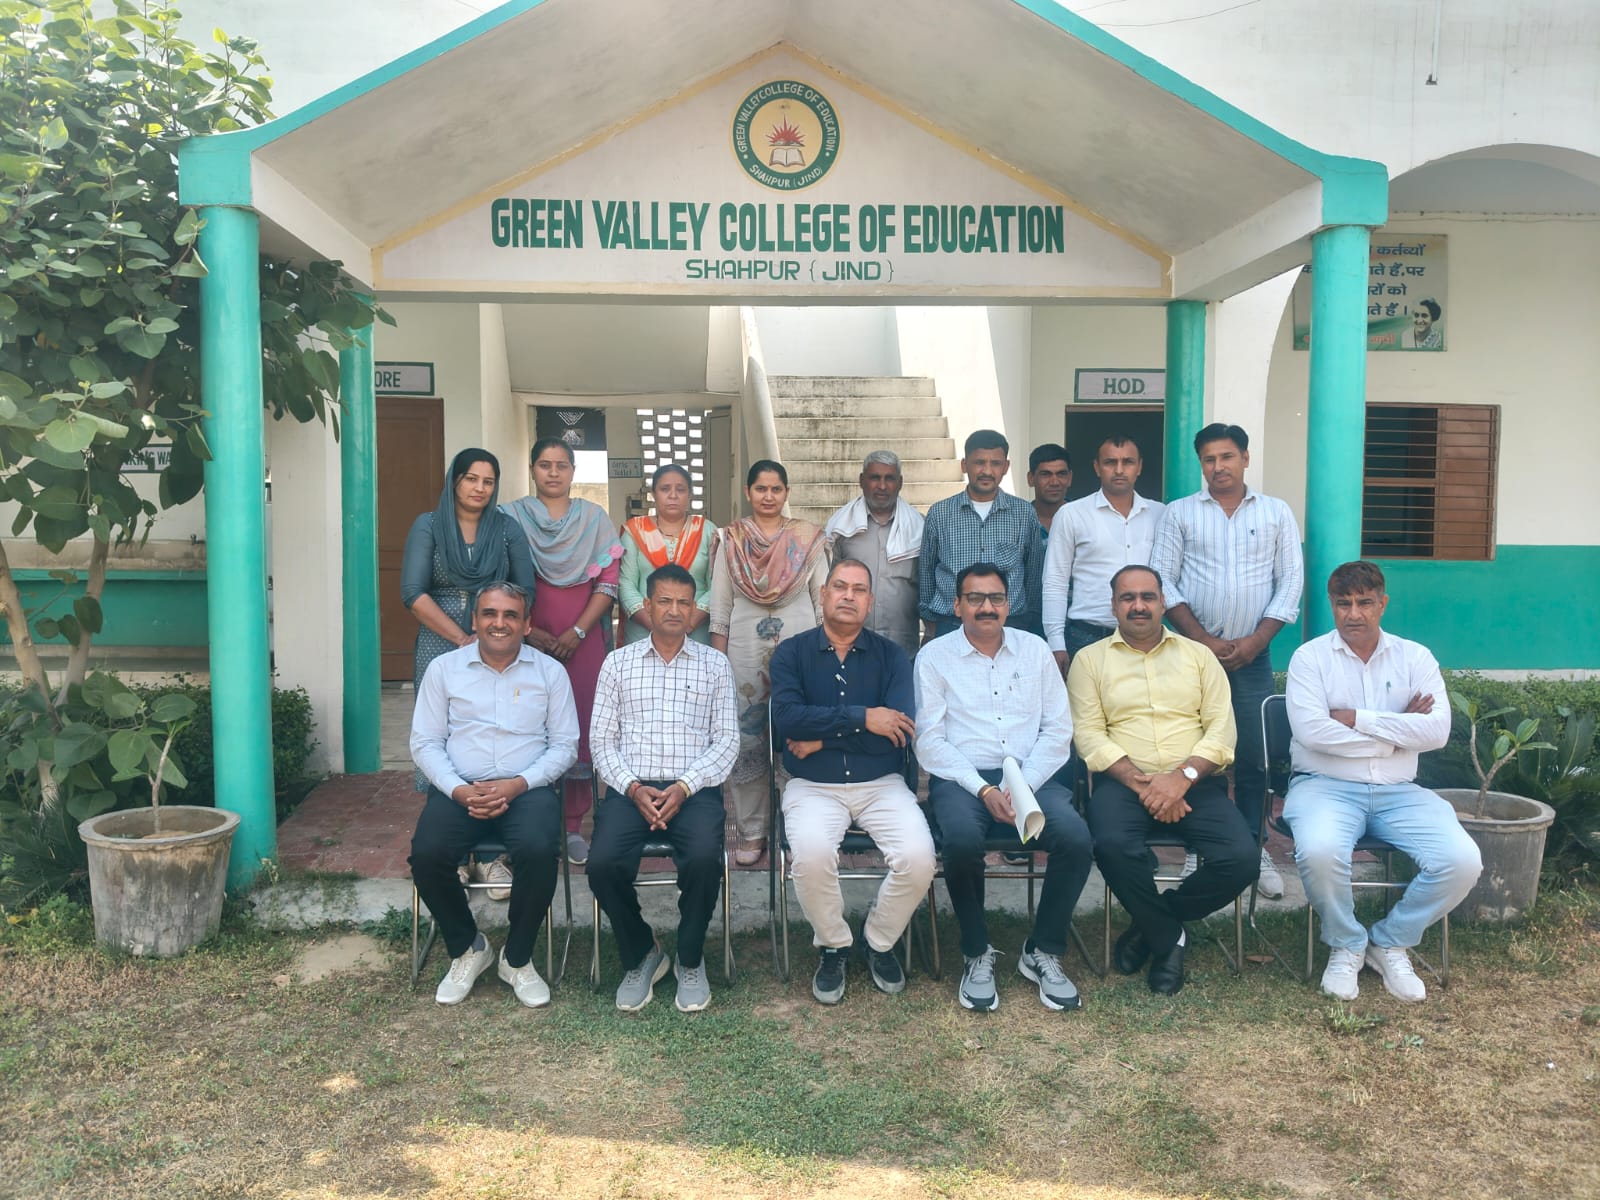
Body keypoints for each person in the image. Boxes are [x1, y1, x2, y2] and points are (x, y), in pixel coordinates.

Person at [1284, 561, 1481, 1003]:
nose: (1354, 614)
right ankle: (1346, 943)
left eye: (1365, 603)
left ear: (1383, 604)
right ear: (1331, 605)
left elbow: (1437, 732)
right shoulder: (1309, 658)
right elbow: (1313, 733)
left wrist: (1357, 718)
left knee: (1462, 860)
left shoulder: (1415, 657)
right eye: (1343, 604)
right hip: (1324, 785)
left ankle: (1390, 941)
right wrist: (1398, 733)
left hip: (1399, 792)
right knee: (1319, 851)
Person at [1068, 564, 1256, 996]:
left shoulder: (1199, 656)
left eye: (1147, 597)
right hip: (1122, 785)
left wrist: (1181, 778)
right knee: (1111, 845)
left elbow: (1222, 729)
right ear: (1113, 605)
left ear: (1163, 602)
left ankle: (1152, 923)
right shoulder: (1090, 660)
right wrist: (1145, 784)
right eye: (1128, 598)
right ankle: (1169, 938)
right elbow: (1089, 735)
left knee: (1241, 859)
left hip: (1195, 783)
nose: (1138, 606)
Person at [915, 563, 1093, 1012]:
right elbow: (930, 740)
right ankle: (976, 952)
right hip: (963, 778)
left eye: (995, 598)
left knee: (1075, 838)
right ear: (957, 605)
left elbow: (1058, 730)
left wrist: (1021, 786)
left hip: (1032, 774)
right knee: (960, 841)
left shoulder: (1035, 650)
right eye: (975, 598)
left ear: (1009, 604)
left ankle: (1043, 949)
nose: (986, 607)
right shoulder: (934, 656)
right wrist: (983, 789)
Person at [770, 557, 936, 1005]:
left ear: (870, 601)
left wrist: (822, 739)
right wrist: (864, 717)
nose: (848, 596)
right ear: (823, 595)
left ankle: (878, 940)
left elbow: (896, 735)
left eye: (858, 589)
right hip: (813, 785)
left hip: (881, 782)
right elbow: (787, 721)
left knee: (919, 858)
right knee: (810, 855)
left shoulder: (892, 656)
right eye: (840, 586)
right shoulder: (791, 653)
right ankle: (834, 944)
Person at [1150, 423, 1302, 900]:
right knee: (1194, 753)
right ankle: (1201, 847)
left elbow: (1290, 583)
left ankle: (1255, 849)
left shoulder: (1276, 512)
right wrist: (1201, 641)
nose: (1218, 467)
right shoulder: (1180, 513)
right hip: (1192, 658)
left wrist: (1255, 642)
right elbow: (1162, 580)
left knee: (1254, 756)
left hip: (1253, 658)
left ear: (1245, 458)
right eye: (1209, 459)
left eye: (1227, 456)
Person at [408, 581, 578, 1008]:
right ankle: (469, 947)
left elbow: (565, 746)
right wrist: (458, 790)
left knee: (539, 850)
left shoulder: (550, 673)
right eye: (490, 614)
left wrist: (518, 783)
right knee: (427, 855)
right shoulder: (444, 670)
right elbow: (425, 742)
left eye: (510, 615)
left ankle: (516, 959)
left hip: (527, 788)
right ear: (475, 620)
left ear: (527, 624)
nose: (499, 623)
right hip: (460, 787)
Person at [588, 564, 739, 1013]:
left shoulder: (715, 664)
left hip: (693, 789)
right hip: (630, 789)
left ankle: (690, 958)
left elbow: (727, 740)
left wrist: (684, 787)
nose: (674, 610)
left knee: (704, 859)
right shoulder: (618, 663)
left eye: (684, 603)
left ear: (694, 610)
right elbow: (601, 741)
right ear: (647, 606)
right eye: (665, 601)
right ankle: (643, 951)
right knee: (602, 864)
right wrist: (633, 788)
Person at [400, 447, 538, 898]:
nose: (480, 488)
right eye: (471, 478)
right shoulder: (428, 525)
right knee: (444, 738)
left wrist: (491, 632)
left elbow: (525, 588)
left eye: (488, 481)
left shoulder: (506, 528)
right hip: (441, 640)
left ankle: (496, 857)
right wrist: (462, 638)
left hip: (498, 639)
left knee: (497, 733)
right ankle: (456, 855)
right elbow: (414, 591)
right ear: (454, 480)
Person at [508, 437, 624, 867]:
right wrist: (529, 632)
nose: (553, 472)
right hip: (524, 639)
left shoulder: (594, 520)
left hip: (584, 641)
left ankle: (573, 824)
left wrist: (577, 631)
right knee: (528, 722)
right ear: (532, 469)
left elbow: (608, 582)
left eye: (561, 465)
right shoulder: (511, 518)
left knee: (578, 724)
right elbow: (502, 576)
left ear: (573, 471)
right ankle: (531, 820)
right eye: (544, 464)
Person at [709, 460, 827, 866]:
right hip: (743, 651)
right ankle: (753, 830)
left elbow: (823, 602)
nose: (769, 496)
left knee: (800, 732)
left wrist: (827, 655)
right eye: (761, 488)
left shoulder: (808, 539)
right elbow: (720, 608)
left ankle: (798, 828)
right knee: (749, 736)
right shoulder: (731, 539)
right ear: (748, 492)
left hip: (803, 649)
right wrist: (717, 663)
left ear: (787, 493)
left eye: (776, 489)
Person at [1042, 434, 1164, 675]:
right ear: (1097, 467)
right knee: (1085, 701)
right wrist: (1056, 642)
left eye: (1127, 462)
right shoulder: (1071, 514)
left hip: (1147, 638)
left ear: (1139, 467)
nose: (1119, 470)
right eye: (1110, 462)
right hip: (1087, 636)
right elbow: (1055, 580)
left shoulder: (1159, 514)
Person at [919, 430, 1046, 642]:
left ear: (1006, 467)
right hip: (951, 625)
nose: (987, 471)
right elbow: (926, 573)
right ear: (964, 465)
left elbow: (1033, 575)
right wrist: (931, 624)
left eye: (995, 463)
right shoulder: (940, 513)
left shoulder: (1024, 513)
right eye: (979, 462)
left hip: (1010, 625)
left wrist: (1027, 621)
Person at [823, 450, 924, 662]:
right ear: (862, 481)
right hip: (850, 649)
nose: (882, 486)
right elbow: (830, 589)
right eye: (875, 478)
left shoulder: (919, 530)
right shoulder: (842, 529)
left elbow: (927, 589)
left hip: (902, 651)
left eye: (889, 478)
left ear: (900, 483)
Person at [618, 463, 716, 647]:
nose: (673, 495)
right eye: (665, 489)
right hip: (644, 632)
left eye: (680, 489)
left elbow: (717, 585)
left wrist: (689, 622)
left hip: (695, 632)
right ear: (654, 494)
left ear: (690, 494)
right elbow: (626, 584)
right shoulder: (635, 531)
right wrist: (656, 625)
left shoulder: (707, 531)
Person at [1027, 443, 1072, 531]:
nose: (1054, 482)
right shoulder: (1017, 520)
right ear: (1031, 478)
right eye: (1045, 474)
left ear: (1070, 478)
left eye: (1061, 474)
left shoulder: (1084, 517)